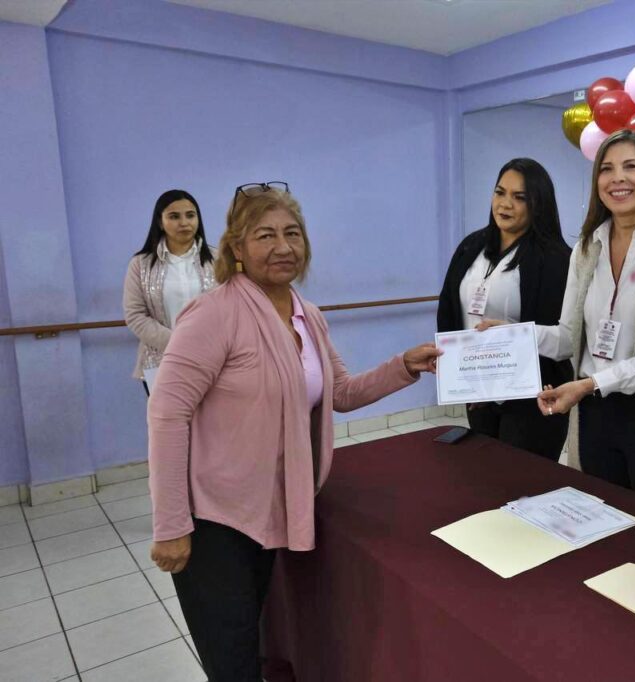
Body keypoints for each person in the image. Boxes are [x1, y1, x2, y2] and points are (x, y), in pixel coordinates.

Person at [147, 182, 442, 680]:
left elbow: (341, 392)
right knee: (232, 659)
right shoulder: (214, 314)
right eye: (265, 236)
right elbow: (167, 414)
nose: (283, 247)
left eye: (292, 233)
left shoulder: (308, 316)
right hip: (216, 519)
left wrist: (404, 366)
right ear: (236, 248)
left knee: (253, 643)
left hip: (272, 505)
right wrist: (171, 524)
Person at [485, 130, 635, 520]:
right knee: (598, 529)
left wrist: (593, 383)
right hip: (593, 415)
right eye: (606, 169)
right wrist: (513, 335)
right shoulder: (588, 246)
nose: (617, 178)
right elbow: (569, 337)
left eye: (630, 166)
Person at [437, 158, 572, 459]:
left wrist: (511, 342)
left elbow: (563, 335)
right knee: (484, 476)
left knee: (523, 484)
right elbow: (449, 307)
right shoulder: (471, 245)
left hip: (532, 395)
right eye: (500, 193)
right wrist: (459, 376)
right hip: (479, 388)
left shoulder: (555, 258)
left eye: (519, 197)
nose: (505, 204)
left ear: (538, 204)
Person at [123, 189, 217, 393]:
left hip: (213, 360)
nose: (184, 222)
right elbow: (135, 315)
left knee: (214, 424)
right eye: (174, 216)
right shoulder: (140, 264)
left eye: (190, 215)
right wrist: (179, 344)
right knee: (168, 424)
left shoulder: (218, 260)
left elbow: (231, 311)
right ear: (160, 222)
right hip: (161, 362)